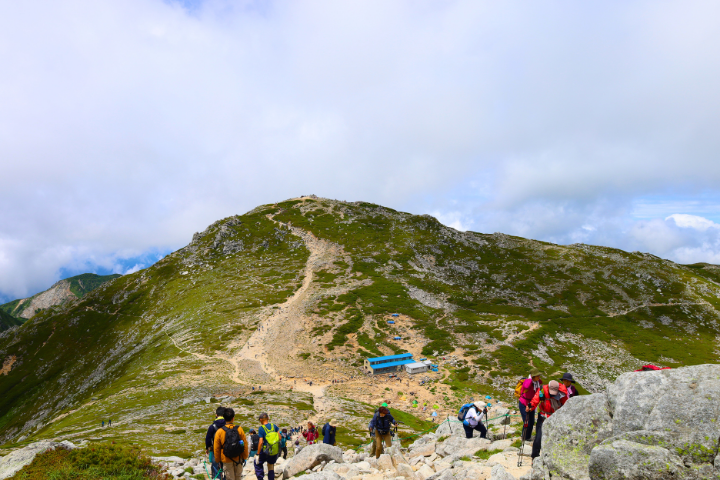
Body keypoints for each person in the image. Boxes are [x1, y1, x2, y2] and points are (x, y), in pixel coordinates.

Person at [529, 380, 567, 459]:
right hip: (543, 416)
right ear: (548, 388)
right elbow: (535, 400)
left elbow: (566, 404)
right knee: (538, 438)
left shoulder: (562, 393)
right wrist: (531, 407)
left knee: (554, 438)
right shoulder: (542, 389)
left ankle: (552, 457)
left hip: (555, 418)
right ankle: (534, 457)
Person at [213, 408, 249, 480]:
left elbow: (216, 448)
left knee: (229, 478)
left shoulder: (220, 431)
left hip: (226, 459)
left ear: (224, 418)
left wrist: (218, 460)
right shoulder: (239, 429)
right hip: (238, 458)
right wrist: (244, 456)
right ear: (233, 418)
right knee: (238, 477)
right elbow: (244, 444)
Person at [519, 368, 542, 443]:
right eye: (537, 375)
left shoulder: (537, 382)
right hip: (524, 403)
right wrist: (530, 379)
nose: (539, 377)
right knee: (527, 421)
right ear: (533, 376)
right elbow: (527, 387)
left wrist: (536, 380)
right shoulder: (527, 382)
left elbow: (541, 382)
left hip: (531, 404)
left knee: (531, 422)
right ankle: (524, 436)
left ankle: (528, 437)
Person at [255, 412, 280, 480]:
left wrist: (257, 454)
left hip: (266, 451)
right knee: (270, 465)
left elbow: (260, 442)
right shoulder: (274, 426)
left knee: (257, 463)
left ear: (260, 420)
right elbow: (279, 438)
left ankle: (260, 478)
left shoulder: (261, 428)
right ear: (268, 418)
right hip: (274, 450)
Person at [205, 406, 226, 479]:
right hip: (227, 449)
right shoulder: (228, 425)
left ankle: (216, 477)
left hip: (215, 449)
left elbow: (208, 438)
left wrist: (207, 448)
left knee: (215, 465)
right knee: (226, 466)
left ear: (216, 415)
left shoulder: (212, 426)